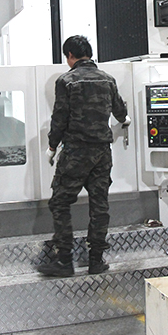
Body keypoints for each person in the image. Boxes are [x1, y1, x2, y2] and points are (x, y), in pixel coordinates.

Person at [38, 35, 130, 277]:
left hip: (76, 153)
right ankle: (96, 260)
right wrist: (125, 119)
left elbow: (59, 118)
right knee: (99, 205)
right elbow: (120, 109)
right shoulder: (107, 79)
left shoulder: (66, 81)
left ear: (70, 56)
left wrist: (52, 147)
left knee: (60, 202)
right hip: (102, 153)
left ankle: (64, 260)